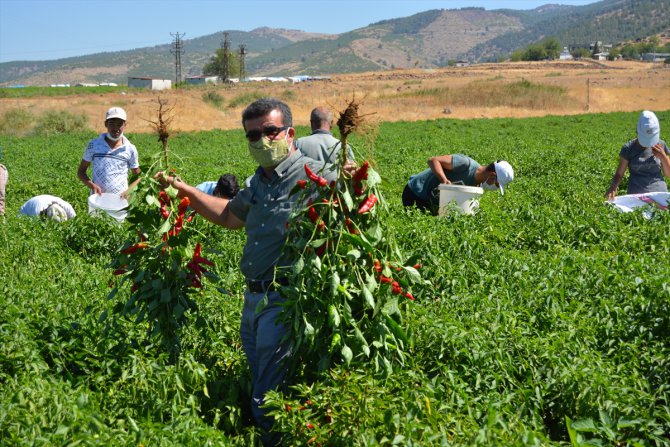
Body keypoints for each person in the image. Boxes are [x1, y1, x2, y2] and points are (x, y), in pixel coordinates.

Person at [158, 98, 341, 446]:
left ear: (290, 133)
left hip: (285, 297)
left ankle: (272, 439)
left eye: (270, 131)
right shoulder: (257, 182)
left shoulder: (313, 175)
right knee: (262, 378)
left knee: (266, 392)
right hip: (253, 297)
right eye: (253, 135)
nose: (261, 140)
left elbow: (351, 195)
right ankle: (284, 433)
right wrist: (186, 192)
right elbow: (229, 216)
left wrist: (349, 180)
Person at [403, 154, 514, 214]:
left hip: (430, 201)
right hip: (415, 192)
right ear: (492, 175)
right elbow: (433, 160)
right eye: (497, 184)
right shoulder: (466, 164)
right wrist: (444, 180)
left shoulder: (476, 187)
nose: (494, 187)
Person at [605, 110, 670, 201]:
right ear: (638, 131)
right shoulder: (628, 148)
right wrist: (613, 187)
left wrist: (663, 157)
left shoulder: (661, 145)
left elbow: (669, 174)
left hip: (659, 194)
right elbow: (619, 174)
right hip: (636, 196)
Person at [77, 107, 141, 199]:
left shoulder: (130, 149)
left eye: (119, 124)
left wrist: (129, 191)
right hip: (97, 199)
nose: (115, 128)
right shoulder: (93, 145)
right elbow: (81, 172)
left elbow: (138, 176)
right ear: (105, 124)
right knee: (97, 214)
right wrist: (92, 185)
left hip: (120, 201)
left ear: (125, 125)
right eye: (111, 124)